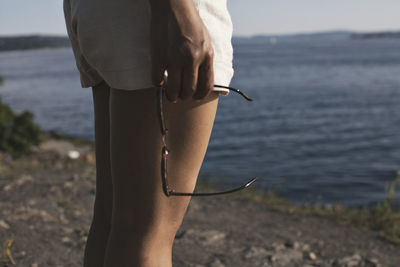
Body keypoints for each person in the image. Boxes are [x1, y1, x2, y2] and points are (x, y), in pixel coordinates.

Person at [63, 0, 234, 266]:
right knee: (147, 231)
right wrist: (181, 12)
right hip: (151, 11)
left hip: (106, 11)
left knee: (115, 220)